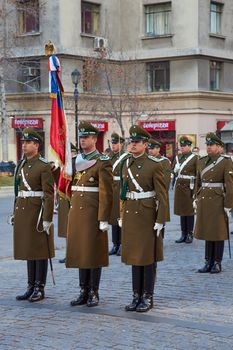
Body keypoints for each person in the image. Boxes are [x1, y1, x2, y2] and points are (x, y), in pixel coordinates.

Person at [120, 125, 169, 313]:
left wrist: (160, 219)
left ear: (146, 144)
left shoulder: (154, 164)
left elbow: (162, 195)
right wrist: (121, 213)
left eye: (137, 142)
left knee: (147, 257)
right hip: (131, 212)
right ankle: (136, 295)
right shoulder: (126, 163)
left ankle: (147, 296)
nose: (133, 145)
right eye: (131, 142)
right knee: (134, 256)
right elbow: (123, 191)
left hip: (148, 214)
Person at [66, 121, 113, 307]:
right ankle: (83, 290)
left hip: (93, 213)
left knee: (93, 253)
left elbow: (106, 192)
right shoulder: (74, 161)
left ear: (94, 139)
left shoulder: (102, 161)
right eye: (81, 138)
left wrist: (103, 217)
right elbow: (67, 186)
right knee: (81, 252)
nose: (83, 140)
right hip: (77, 212)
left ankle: (94, 291)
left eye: (86, 137)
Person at [13, 127, 54, 302]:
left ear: (36, 145)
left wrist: (47, 218)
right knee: (29, 249)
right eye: (23, 142)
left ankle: (39, 287)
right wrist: (15, 212)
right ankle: (30, 285)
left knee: (39, 250)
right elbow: (18, 190)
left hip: (37, 212)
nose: (24, 145)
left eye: (28, 142)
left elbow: (49, 194)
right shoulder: (22, 164)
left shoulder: (43, 165)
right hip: (24, 210)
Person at [194, 132, 233, 273]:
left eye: (212, 145)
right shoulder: (202, 160)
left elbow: (230, 186)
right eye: (208, 145)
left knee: (218, 232)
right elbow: (198, 181)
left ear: (219, 147)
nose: (209, 147)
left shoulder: (226, 161)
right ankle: (208, 261)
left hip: (218, 201)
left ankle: (217, 262)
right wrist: (195, 198)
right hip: (204, 200)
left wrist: (228, 205)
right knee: (207, 231)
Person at [50, 143, 78, 264]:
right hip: (63, 201)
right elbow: (58, 182)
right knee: (67, 229)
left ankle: (75, 254)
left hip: (71, 200)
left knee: (74, 229)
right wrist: (54, 169)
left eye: (70, 153)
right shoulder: (64, 166)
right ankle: (69, 253)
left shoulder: (76, 165)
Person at [173, 136, 198, 244]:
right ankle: (183, 233)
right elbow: (173, 172)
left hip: (189, 188)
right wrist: (175, 170)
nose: (182, 148)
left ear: (189, 146)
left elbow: (198, 175)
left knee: (189, 211)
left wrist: (196, 191)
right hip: (179, 187)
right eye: (181, 146)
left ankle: (189, 234)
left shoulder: (195, 158)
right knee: (182, 211)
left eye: (184, 146)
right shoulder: (178, 158)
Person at [148, 138, 171, 239]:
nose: (150, 150)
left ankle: (160, 239)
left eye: (153, 148)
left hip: (159, 194)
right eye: (149, 148)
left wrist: (158, 193)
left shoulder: (164, 162)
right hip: (149, 195)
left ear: (158, 149)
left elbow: (165, 181)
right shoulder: (148, 160)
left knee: (160, 217)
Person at [108, 132, 127, 256]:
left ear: (121, 144)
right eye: (112, 143)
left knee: (122, 218)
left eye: (116, 143)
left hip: (120, 187)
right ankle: (115, 243)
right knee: (114, 218)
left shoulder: (125, 157)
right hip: (111, 189)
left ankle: (123, 244)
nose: (113, 145)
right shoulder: (109, 156)